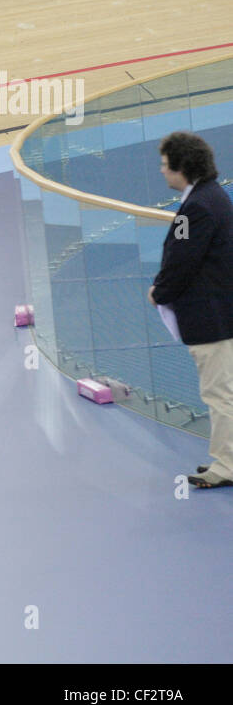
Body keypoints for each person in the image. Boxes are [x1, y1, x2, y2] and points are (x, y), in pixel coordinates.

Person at [147, 131, 233, 488]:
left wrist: (158, 292)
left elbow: (181, 262)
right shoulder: (215, 197)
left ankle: (227, 465)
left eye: (167, 167)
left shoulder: (195, 208)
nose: (163, 173)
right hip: (222, 313)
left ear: (183, 168)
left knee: (219, 393)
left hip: (211, 320)